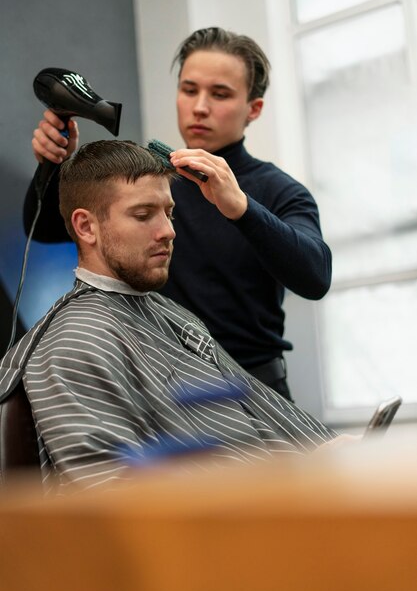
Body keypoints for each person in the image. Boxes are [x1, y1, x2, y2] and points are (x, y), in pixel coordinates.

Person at [2, 140, 336, 493]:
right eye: (144, 215)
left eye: (169, 212)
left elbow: (251, 417)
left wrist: (324, 451)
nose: (168, 231)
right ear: (86, 227)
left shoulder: (169, 315)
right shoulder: (76, 344)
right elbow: (117, 500)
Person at [24, 27, 332, 401]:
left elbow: (315, 276)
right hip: (162, 390)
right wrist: (52, 166)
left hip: (254, 392)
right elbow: (44, 229)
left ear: (254, 109)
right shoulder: (150, 180)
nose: (200, 106)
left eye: (220, 94)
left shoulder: (280, 192)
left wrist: (241, 208)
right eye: (189, 90)